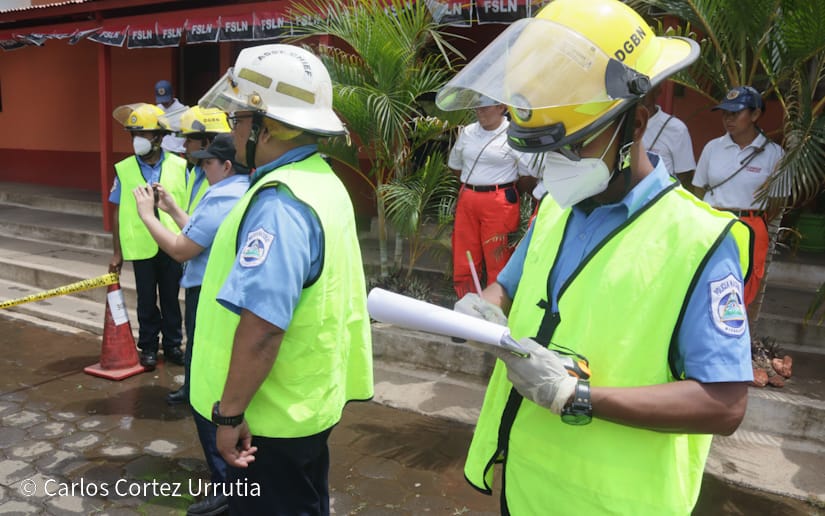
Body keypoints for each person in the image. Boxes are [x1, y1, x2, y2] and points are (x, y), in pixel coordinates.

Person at [436, 0, 754, 514]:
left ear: (638, 123)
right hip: (527, 487)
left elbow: (725, 404)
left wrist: (577, 396)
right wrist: (485, 306)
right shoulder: (556, 211)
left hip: (615, 503)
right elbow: (509, 287)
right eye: (546, 151)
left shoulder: (698, 240)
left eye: (576, 146)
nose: (558, 166)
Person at [190, 44, 373, 514]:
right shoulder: (322, 180)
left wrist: (229, 415)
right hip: (303, 404)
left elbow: (263, 326)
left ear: (267, 127)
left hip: (267, 420)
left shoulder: (279, 203)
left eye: (238, 119)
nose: (232, 130)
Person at [133, 132, 248, 516]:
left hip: (209, 297)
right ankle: (234, 480)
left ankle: (227, 486)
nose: (202, 167)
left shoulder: (225, 197)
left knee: (204, 390)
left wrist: (147, 215)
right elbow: (199, 234)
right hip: (218, 294)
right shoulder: (236, 191)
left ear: (227, 166)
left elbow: (182, 248)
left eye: (207, 162)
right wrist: (170, 208)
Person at [692, 86, 786, 315]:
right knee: (705, 283)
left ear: (755, 114)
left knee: (744, 288)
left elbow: (777, 201)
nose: (728, 119)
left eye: (735, 113)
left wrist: (751, 220)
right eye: (725, 113)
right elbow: (697, 189)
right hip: (713, 223)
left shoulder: (774, 154)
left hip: (751, 226)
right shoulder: (713, 148)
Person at [109, 103, 188, 371]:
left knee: (171, 298)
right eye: (134, 134)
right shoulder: (124, 168)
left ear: (159, 136)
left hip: (173, 244)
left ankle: (173, 344)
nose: (137, 139)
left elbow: (188, 207)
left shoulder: (180, 166)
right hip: (141, 246)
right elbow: (117, 211)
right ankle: (149, 347)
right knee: (145, 301)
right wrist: (117, 252)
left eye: (143, 134)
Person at [448, 97, 538, 297]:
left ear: (501, 107)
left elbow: (528, 173)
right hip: (468, 197)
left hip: (499, 201)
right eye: (477, 107)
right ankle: (465, 299)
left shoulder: (512, 134)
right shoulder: (468, 132)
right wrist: (474, 184)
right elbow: (455, 165)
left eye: (485, 107)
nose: (479, 111)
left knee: (498, 255)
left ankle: (495, 303)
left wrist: (505, 189)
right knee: (464, 253)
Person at [168, 106, 236, 217]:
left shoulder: (224, 176)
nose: (184, 145)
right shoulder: (196, 170)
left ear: (206, 142)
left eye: (189, 140)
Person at [641, 84, 697, 187]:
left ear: (657, 91)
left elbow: (685, 175)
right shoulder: (621, 124)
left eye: (645, 87)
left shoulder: (676, 128)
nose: (641, 93)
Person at [155, 79, 188, 155]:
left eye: (166, 100)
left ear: (172, 95)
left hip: (179, 148)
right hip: (163, 146)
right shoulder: (158, 108)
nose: (164, 103)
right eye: (161, 100)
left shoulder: (183, 110)